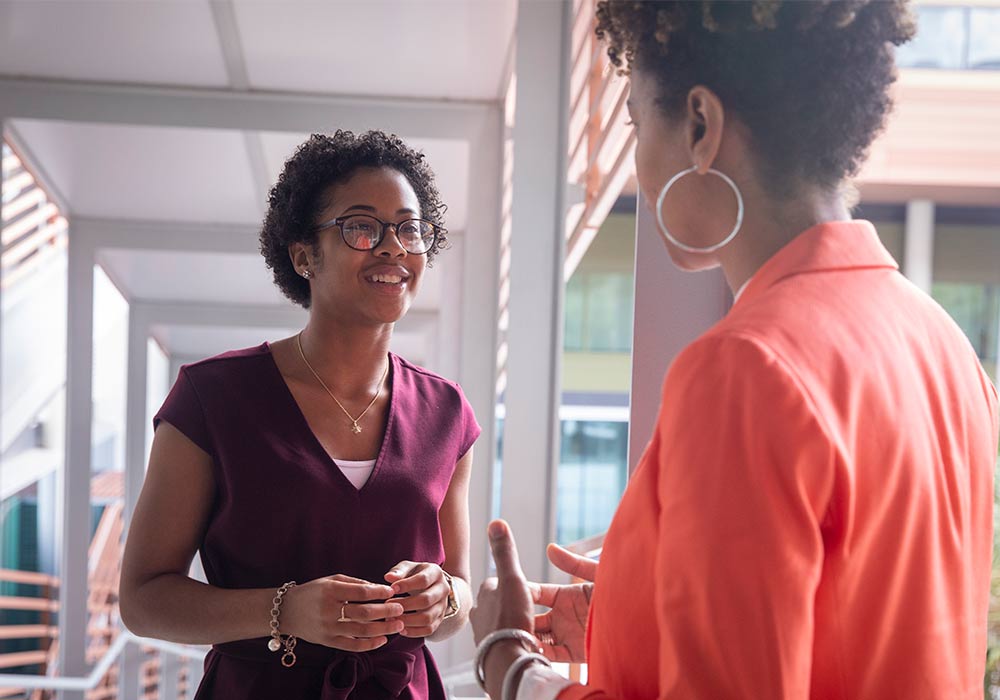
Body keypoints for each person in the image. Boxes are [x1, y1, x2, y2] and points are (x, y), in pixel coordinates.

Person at [471, 2, 1000, 699]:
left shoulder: (746, 368)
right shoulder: (946, 349)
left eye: (635, 123)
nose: (638, 164)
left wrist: (512, 667)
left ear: (699, 125)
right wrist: (641, 612)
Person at [120, 130, 481, 699]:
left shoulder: (448, 413)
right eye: (362, 227)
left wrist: (445, 597)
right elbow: (143, 600)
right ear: (303, 255)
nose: (393, 247)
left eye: (410, 229)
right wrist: (284, 611)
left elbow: (461, 595)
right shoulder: (212, 398)